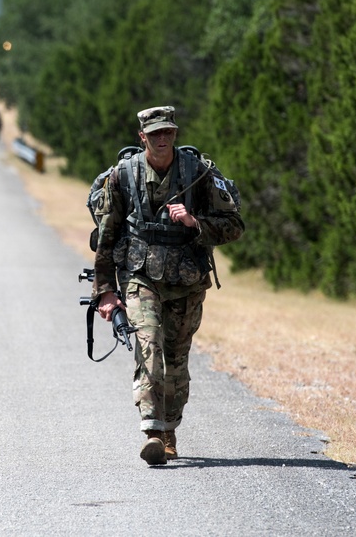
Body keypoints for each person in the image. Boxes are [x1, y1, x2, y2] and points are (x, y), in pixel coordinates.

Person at [90, 106, 244, 465]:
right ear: (141, 137)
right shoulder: (123, 176)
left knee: (176, 359)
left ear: (175, 134)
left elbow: (234, 225)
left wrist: (195, 222)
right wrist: (105, 291)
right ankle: (152, 431)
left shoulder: (199, 173)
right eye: (155, 134)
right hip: (139, 277)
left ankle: (170, 432)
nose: (162, 139)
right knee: (150, 346)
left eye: (168, 133)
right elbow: (106, 237)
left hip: (187, 281)